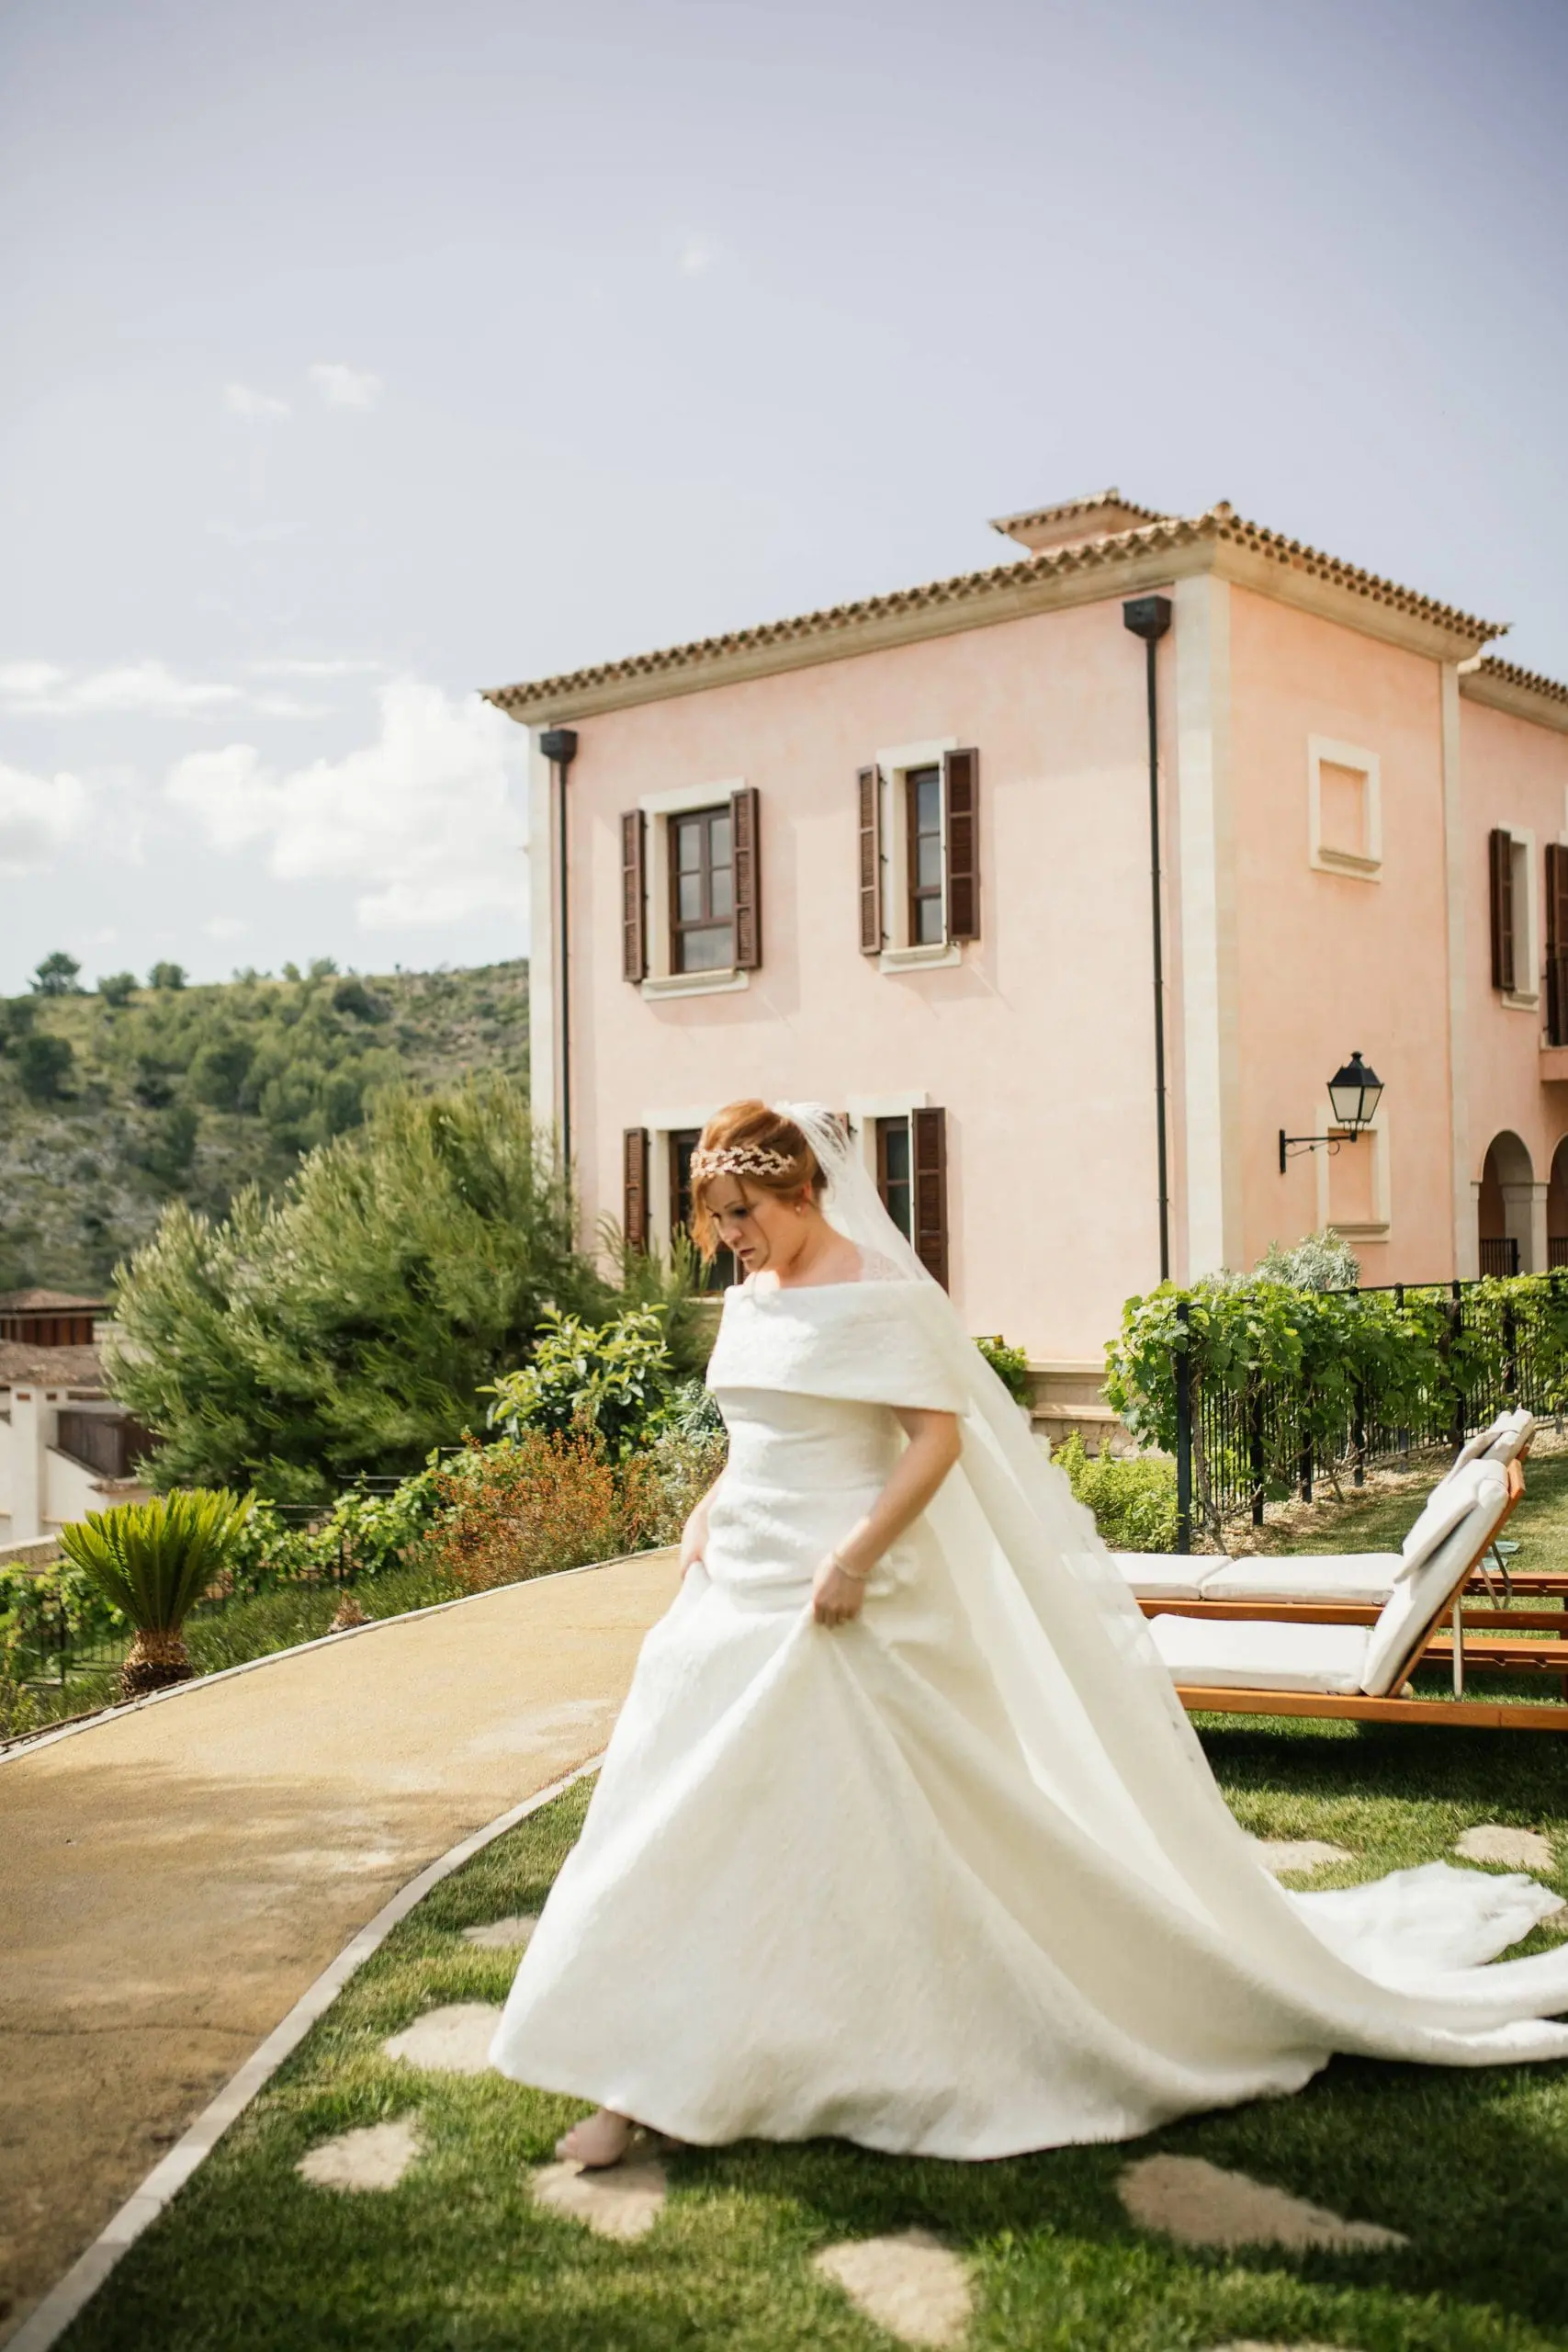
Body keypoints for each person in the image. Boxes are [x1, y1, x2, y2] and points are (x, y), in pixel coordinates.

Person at [491, 1101, 1568, 2168]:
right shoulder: (751, 1296)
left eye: (744, 1210)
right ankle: (629, 2080)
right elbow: (756, 1431)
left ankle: (858, 2036)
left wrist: (854, 1557)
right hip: (732, 1589)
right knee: (669, 1820)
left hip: (842, 1594)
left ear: (802, 1186)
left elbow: (932, 1444)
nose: (731, 1234)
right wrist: (707, 1506)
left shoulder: (875, 1296)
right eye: (717, 1216)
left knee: (871, 1834)